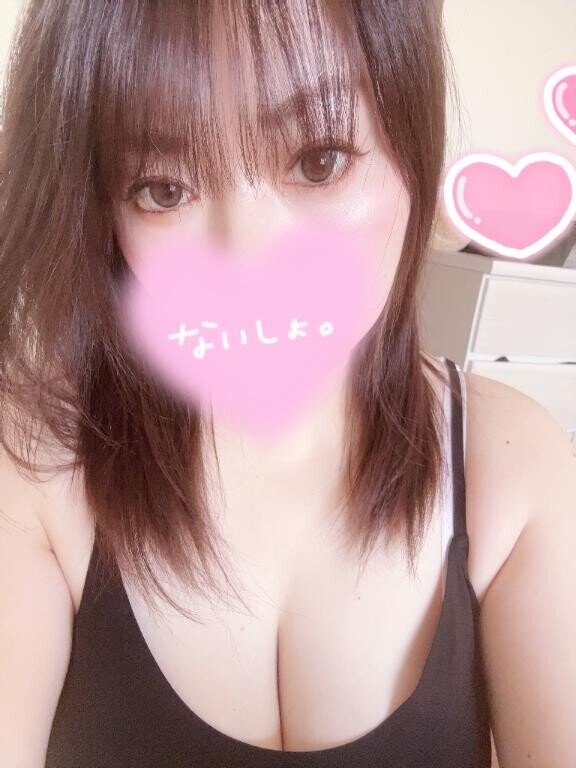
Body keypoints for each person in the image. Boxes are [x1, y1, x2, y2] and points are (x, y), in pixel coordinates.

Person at [0, 1, 574, 766]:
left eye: (320, 160)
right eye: (162, 190)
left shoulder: (514, 466)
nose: (250, 259)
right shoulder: (36, 458)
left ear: (410, 146)